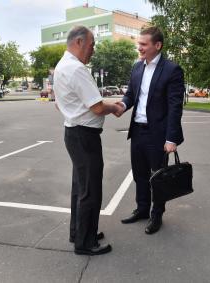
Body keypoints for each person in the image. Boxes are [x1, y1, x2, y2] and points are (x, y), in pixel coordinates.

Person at [53, 25, 121, 255]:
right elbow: (98, 106)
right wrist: (116, 107)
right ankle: (85, 243)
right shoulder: (75, 69)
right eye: (92, 44)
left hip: (74, 132)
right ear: (79, 42)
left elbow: (57, 103)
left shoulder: (62, 66)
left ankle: (80, 232)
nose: (93, 49)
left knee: (80, 188)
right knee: (90, 190)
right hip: (84, 135)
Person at [115, 26, 185, 234]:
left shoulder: (172, 70)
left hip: (158, 134)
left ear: (157, 45)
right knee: (140, 175)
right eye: (139, 44)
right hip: (137, 131)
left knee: (158, 178)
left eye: (143, 44)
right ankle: (142, 210)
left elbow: (175, 107)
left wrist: (171, 138)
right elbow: (130, 94)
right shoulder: (137, 68)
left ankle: (157, 215)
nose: (140, 48)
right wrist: (121, 106)